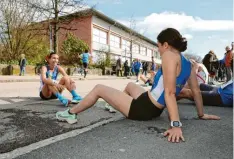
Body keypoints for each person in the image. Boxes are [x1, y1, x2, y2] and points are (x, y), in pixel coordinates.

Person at [56, 28, 220, 143]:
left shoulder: (169, 55)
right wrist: (201, 114)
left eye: (158, 46)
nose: (158, 50)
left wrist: (176, 125)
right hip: (149, 101)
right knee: (129, 85)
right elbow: (196, 92)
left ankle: (71, 113)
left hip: (143, 108)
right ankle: (114, 105)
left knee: (99, 88)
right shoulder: (188, 63)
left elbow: (170, 93)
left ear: (166, 45)